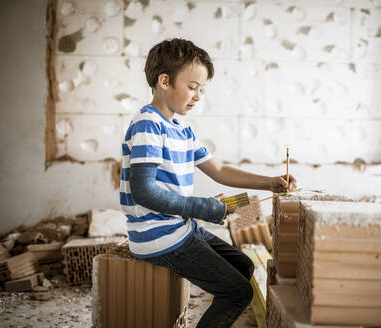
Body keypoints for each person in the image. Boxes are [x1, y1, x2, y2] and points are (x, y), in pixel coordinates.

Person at [120, 38, 297, 328]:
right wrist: (204, 207)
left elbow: (219, 170)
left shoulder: (182, 129)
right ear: (164, 81)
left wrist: (270, 183)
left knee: (244, 266)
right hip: (159, 236)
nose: (198, 96)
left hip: (180, 227)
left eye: (202, 89)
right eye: (192, 87)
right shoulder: (147, 124)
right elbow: (144, 191)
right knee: (237, 292)